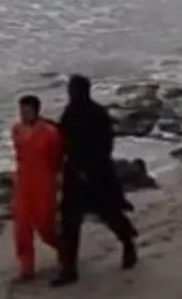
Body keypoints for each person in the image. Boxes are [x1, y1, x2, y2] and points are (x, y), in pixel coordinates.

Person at [53, 74, 138, 287]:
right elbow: (62, 139)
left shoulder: (97, 114)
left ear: (82, 91)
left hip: (99, 176)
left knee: (110, 214)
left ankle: (128, 245)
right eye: (70, 90)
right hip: (74, 175)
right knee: (69, 224)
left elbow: (106, 145)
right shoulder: (69, 113)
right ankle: (69, 269)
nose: (71, 93)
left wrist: (89, 170)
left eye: (73, 90)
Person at [10, 95, 63, 281]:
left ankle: (64, 248)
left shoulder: (50, 133)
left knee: (45, 226)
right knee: (21, 227)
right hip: (23, 183)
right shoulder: (16, 130)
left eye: (27, 111)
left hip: (44, 182)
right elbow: (18, 156)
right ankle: (26, 268)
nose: (23, 115)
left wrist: (57, 181)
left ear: (36, 111)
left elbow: (56, 160)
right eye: (21, 111)